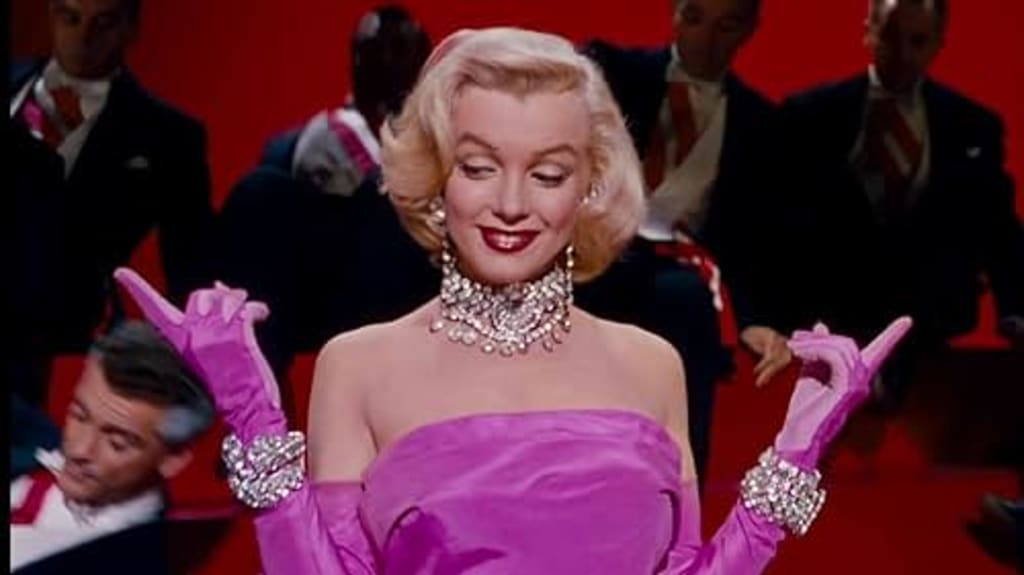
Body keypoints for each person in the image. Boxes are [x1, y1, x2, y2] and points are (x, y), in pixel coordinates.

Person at [116, 27, 911, 574]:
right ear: (438, 178)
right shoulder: (357, 366)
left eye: (548, 173)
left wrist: (794, 454)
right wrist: (255, 421)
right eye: (479, 166)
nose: (510, 203)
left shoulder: (653, 364)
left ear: (590, 187)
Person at [581, 0, 800, 483]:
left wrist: (756, 319)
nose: (706, 40)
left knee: (687, 304)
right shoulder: (609, 74)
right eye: (695, 19)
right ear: (675, 12)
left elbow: (756, 241)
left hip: (680, 276)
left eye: (727, 26)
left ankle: (679, 491)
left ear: (749, 30)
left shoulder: (764, 125)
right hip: (591, 258)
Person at [780, 0, 1024, 408]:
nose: (904, 54)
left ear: (939, 42)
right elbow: (781, 221)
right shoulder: (810, 116)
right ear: (868, 32)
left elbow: (998, 226)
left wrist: (1015, 310)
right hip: (837, 294)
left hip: (932, 305)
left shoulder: (973, 126)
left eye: (918, 41)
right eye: (892, 37)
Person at [217, 4, 436, 384]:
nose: (391, 66)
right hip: (332, 311)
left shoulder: (450, 151)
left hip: (417, 316)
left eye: (403, 53)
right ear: (358, 62)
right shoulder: (300, 150)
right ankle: (254, 393)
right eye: (380, 53)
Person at [9, 0, 216, 402]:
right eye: (70, 17)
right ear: (51, 15)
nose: (82, 37)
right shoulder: (15, 88)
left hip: (54, 345)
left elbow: (191, 268)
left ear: (130, 28)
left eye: (102, 23)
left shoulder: (169, 137)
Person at [10, 321, 215, 574]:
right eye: (79, 415)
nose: (79, 450)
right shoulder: (39, 444)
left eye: (116, 443)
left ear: (173, 458)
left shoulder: (123, 559)